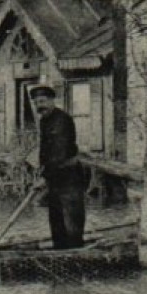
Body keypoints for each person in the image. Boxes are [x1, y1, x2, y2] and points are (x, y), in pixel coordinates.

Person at [30, 83, 89, 248]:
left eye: (42, 101)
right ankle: (59, 253)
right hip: (54, 178)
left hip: (69, 176)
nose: (39, 106)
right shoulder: (44, 121)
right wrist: (42, 170)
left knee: (72, 220)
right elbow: (45, 151)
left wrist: (44, 177)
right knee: (56, 219)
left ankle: (76, 254)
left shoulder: (62, 120)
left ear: (51, 101)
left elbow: (59, 153)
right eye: (36, 103)